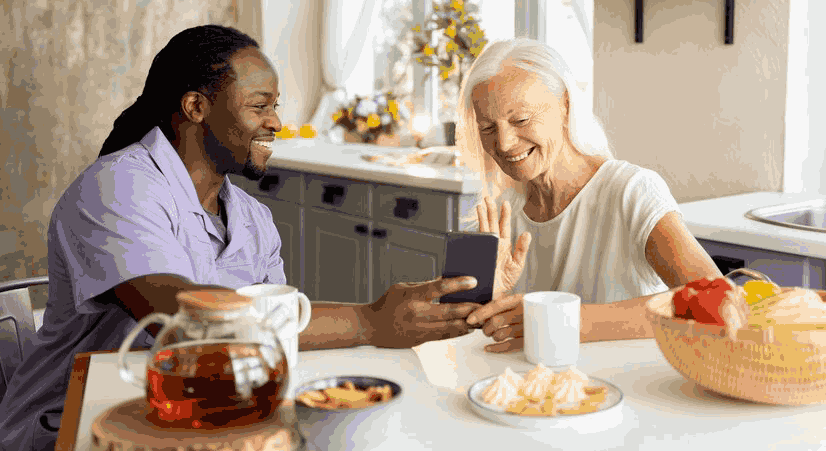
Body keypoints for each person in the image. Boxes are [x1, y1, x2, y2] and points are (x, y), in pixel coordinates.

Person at [0, 25, 481, 451]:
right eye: (259, 106)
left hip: (199, 420)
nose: (275, 122)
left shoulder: (252, 218)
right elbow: (185, 317)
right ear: (196, 107)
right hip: (73, 426)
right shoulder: (116, 187)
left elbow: (273, 335)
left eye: (276, 106)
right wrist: (372, 320)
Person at [456, 37, 723, 353]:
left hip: (628, 392)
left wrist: (562, 320)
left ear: (565, 105)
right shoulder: (499, 208)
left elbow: (714, 298)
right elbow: (469, 330)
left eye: (521, 120)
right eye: (487, 128)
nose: (503, 143)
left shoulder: (630, 191)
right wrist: (490, 301)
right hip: (536, 393)